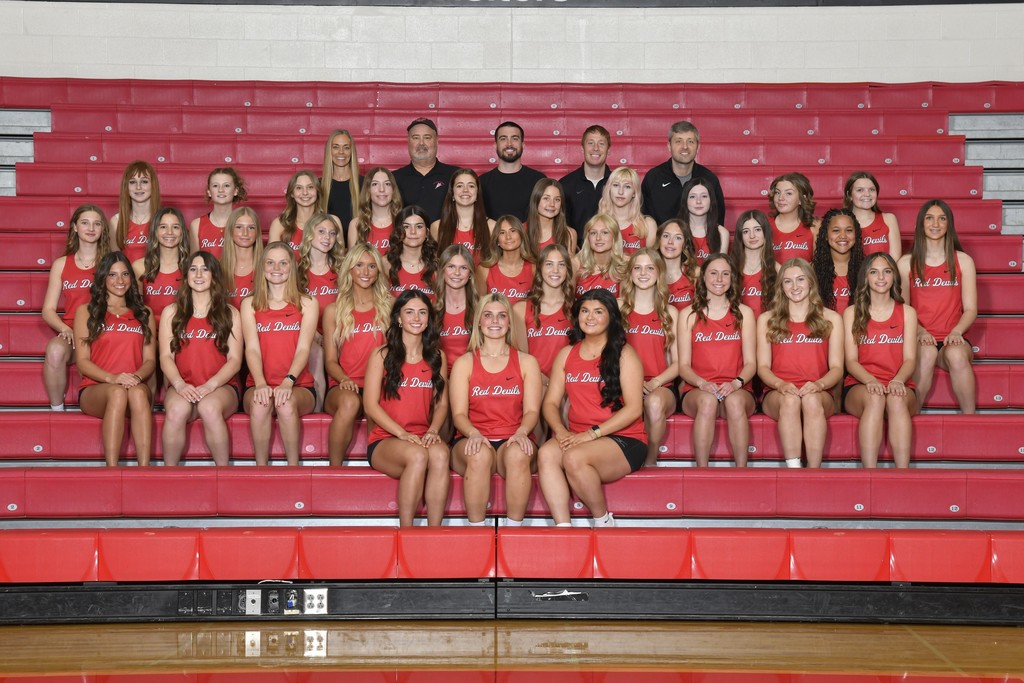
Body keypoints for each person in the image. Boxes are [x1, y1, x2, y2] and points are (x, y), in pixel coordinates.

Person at [537, 288, 647, 527]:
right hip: (578, 436)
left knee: (574, 458)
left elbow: (634, 409)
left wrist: (591, 433)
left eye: (599, 312)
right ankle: (563, 528)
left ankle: (603, 521)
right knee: (546, 453)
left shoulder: (625, 355)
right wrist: (562, 431)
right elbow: (551, 402)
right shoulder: (567, 354)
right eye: (585, 311)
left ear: (611, 318)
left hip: (624, 439)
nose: (590, 317)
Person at [449, 293, 543, 526]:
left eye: (501, 316)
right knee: (478, 454)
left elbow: (532, 411)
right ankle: (477, 534)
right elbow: (459, 414)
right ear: (479, 321)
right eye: (488, 315)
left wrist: (522, 432)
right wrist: (473, 433)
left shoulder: (527, 362)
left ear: (509, 322)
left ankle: (514, 533)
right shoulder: (465, 362)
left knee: (519, 453)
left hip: (514, 437)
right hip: (474, 438)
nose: (494, 321)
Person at [362, 289, 450, 527]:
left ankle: (434, 532)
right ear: (398, 319)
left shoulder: (437, 357)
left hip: (422, 436)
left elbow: (441, 403)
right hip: (386, 440)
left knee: (441, 454)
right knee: (418, 455)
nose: (416, 318)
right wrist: (402, 433)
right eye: (409, 312)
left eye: (422, 313)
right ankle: (407, 533)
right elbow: (370, 405)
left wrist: (433, 430)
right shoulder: (381, 355)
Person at [757, 258, 844, 468]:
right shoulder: (767, 319)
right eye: (788, 281)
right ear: (781, 287)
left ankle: (813, 471)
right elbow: (763, 367)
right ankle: (794, 470)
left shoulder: (831, 318)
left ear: (811, 282)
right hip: (778, 391)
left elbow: (837, 368)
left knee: (811, 400)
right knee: (790, 400)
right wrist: (781, 385)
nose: (794, 286)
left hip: (819, 391)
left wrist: (819, 385)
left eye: (800, 279)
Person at [159, 251, 243, 466]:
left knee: (208, 407)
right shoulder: (172, 312)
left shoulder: (229, 312)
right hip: (183, 384)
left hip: (221, 386)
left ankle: (222, 475)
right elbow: (166, 356)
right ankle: (169, 475)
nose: (199, 274)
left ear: (214, 275)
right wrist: (179, 384)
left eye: (205, 269)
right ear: (186, 275)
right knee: (178, 410)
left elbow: (234, 360)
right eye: (193, 269)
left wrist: (210, 385)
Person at [74, 252, 156, 466]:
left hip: (135, 384)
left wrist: (135, 377)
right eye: (112, 274)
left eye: (125, 274)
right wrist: (113, 378)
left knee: (137, 394)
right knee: (118, 393)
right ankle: (112, 470)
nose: (120, 281)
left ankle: (144, 469)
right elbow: (82, 361)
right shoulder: (86, 312)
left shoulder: (144, 313)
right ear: (102, 278)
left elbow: (150, 361)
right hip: (97, 387)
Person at [240, 242, 318, 466]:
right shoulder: (250, 304)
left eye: (283, 262)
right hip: (259, 383)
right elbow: (252, 349)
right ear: (262, 267)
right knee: (261, 403)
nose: (277, 268)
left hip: (299, 385)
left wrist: (288, 381)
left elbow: (304, 348)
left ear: (292, 267)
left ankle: (293, 469)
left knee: (284, 403)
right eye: (270, 262)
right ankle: (261, 470)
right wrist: (261, 383)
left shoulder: (307, 303)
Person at [897, 200, 977, 413]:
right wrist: (920, 331)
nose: (936, 223)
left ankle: (971, 418)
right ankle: (911, 416)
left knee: (957, 355)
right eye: (929, 218)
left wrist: (957, 332)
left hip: (953, 337)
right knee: (927, 353)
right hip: (920, 337)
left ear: (949, 224)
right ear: (920, 224)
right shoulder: (906, 263)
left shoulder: (963, 261)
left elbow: (970, 309)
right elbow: (902, 308)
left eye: (942, 218)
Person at [677, 254, 757, 467]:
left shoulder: (744, 314)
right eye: (713, 273)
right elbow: (683, 366)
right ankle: (701, 471)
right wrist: (703, 383)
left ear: (732, 279)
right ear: (703, 278)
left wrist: (735, 383)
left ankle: (742, 470)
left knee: (735, 401)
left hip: (737, 387)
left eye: (725, 273)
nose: (719, 279)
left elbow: (751, 363)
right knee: (707, 401)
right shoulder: (688, 315)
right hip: (698, 389)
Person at [843, 252, 919, 468]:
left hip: (900, 383)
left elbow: (910, 359)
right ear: (865, 277)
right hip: (861, 385)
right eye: (874, 272)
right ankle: (870, 474)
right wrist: (870, 381)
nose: (881, 277)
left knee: (894, 399)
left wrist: (897, 381)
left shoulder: (907, 313)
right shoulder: (852, 312)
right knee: (875, 398)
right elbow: (851, 361)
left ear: (894, 276)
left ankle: (903, 473)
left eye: (887, 271)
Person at [323, 243, 391, 466]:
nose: (365, 272)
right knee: (351, 403)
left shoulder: (389, 306)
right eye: (359, 265)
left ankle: (379, 466)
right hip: (344, 385)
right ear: (349, 270)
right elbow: (331, 361)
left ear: (378, 271)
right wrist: (344, 379)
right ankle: (334, 471)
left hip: (379, 383)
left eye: (372, 266)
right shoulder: (335, 310)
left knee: (378, 403)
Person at [42, 205, 110, 411]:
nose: (91, 228)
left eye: (97, 223)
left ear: (102, 230)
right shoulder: (61, 264)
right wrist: (65, 329)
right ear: (74, 227)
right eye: (85, 223)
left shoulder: (109, 262)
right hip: (72, 332)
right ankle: (57, 410)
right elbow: (48, 309)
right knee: (54, 350)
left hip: (103, 330)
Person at [618, 248, 679, 467]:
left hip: (660, 385)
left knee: (653, 403)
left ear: (659, 273)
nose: (643, 273)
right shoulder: (618, 308)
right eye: (638, 268)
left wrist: (654, 382)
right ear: (630, 273)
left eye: (650, 268)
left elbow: (679, 363)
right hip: (624, 383)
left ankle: (649, 461)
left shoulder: (670, 312)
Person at [297, 212, 345, 410]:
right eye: (322, 232)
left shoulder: (341, 268)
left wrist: (332, 334)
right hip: (309, 335)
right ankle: (317, 413)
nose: (327, 237)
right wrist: (313, 333)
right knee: (314, 352)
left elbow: (348, 304)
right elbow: (292, 308)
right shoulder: (298, 270)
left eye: (332, 233)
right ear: (309, 234)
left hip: (337, 332)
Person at [641, 120, 726, 225]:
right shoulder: (653, 177)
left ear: (698, 147)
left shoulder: (709, 179)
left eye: (690, 141)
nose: (685, 146)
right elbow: (644, 220)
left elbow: (717, 221)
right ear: (669, 146)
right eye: (678, 141)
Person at [513, 243, 575, 385]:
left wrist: (558, 386)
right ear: (540, 269)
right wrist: (544, 382)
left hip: (567, 385)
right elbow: (521, 357)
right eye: (549, 264)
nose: (555, 270)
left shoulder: (577, 308)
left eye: (561, 265)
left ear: (568, 270)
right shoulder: (521, 309)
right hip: (532, 383)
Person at [392, 118, 457, 224]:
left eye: (427, 137)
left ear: (436, 141)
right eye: (415, 138)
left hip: (446, 240)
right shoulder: (394, 179)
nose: (421, 143)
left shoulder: (455, 176)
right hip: (408, 239)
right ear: (408, 142)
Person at [132, 207, 189, 328]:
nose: (169, 232)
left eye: (175, 227)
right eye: (163, 227)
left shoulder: (191, 268)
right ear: (155, 231)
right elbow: (135, 309)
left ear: (182, 232)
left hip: (181, 333)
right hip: (148, 332)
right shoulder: (139, 267)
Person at [480, 121, 547, 222]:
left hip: (529, 238)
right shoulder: (482, 182)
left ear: (523, 145)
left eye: (515, 138)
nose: (509, 144)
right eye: (503, 139)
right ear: (495, 145)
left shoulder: (538, 180)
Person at [430, 168, 495, 264]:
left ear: (477, 193)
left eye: (471, 186)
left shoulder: (492, 226)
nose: (465, 190)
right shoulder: (437, 227)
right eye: (459, 186)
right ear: (452, 193)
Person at [559, 125, 612, 235]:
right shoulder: (565, 185)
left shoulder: (617, 184)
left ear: (609, 150)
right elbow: (560, 227)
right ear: (582, 148)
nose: (596, 148)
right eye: (590, 143)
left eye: (601, 144)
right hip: (575, 250)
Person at [813, 208, 864, 316]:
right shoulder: (811, 270)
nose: (843, 236)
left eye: (849, 230)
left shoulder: (868, 269)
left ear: (856, 234)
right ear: (826, 235)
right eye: (836, 230)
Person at [189, 167, 247, 260]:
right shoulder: (197, 225)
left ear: (236, 190)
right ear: (209, 191)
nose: (221, 190)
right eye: (215, 186)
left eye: (226, 186)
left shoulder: (245, 223)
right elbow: (194, 263)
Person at [109, 160, 161, 263]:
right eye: (132, 182)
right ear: (126, 186)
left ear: (153, 185)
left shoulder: (164, 219)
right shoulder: (116, 222)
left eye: (144, 181)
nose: (138, 187)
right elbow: (117, 263)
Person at [730, 209, 778, 318]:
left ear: (766, 232)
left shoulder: (778, 270)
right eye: (746, 231)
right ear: (740, 236)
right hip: (736, 330)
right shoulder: (729, 269)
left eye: (757, 230)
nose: (752, 236)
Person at [598, 166, 657, 255]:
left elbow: (651, 263)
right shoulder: (598, 223)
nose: (620, 191)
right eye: (616, 185)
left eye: (627, 187)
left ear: (634, 193)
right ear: (609, 189)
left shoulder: (648, 225)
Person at [477, 215, 535, 303]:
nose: (508, 237)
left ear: (521, 235)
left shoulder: (534, 268)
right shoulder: (484, 270)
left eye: (513, 231)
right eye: (502, 232)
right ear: (497, 240)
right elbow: (479, 307)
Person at [844, 171, 901, 259]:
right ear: (849, 195)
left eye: (872, 190)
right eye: (860, 190)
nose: (867, 194)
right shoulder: (840, 222)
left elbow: (895, 261)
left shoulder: (889, 219)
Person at [386, 205, 438, 299]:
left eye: (419, 226)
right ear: (398, 232)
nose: (413, 231)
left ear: (427, 232)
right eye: (406, 226)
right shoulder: (385, 264)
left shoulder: (437, 266)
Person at [435, 244, 476, 363]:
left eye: (463, 268)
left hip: (472, 375)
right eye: (451, 267)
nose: (457, 273)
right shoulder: (430, 308)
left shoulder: (481, 307)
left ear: (470, 274)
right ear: (442, 270)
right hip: (438, 375)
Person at [348, 166, 403, 255]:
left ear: (393, 190)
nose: (382, 189)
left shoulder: (404, 223)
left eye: (387, 184)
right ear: (368, 190)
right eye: (375, 184)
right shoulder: (356, 225)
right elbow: (352, 265)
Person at [768, 172, 818, 264]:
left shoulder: (815, 226)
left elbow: (821, 266)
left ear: (802, 199)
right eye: (777, 192)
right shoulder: (764, 225)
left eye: (789, 193)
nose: (780, 198)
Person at [269, 170, 323, 253]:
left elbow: (339, 260)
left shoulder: (330, 222)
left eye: (310, 187)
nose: (305, 192)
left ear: (317, 191)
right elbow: (272, 259)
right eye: (299, 188)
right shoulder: (279, 224)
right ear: (292, 194)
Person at [678, 176, 730, 263]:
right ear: (685, 201)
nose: (698, 201)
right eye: (693, 197)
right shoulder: (676, 230)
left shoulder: (722, 233)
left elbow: (720, 268)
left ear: (711, 200)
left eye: (704, 196)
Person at [574, 214, 627, 296]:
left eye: (605, 232)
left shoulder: (625, 264)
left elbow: (625, 303)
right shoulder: (575, 263)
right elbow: (567, 301)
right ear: (588, 238)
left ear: (615, 237)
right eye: (593, 233)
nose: (598, 238)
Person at [221, 207, 264, 309]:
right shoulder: (217, 268)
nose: (245, 233)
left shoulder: (268, 268)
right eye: (239, 227)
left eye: (251, 228)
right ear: (230, 231)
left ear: (257, 232)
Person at [321, 129, 361, 235]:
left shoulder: (365, 184)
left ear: (352, 151)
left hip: (357, 248)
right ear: (329, 151)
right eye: (336, 147)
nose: (341, 152)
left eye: (346, 147)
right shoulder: (318, 186)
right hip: (327, 247)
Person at [526, 178, 577, 255]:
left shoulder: (569, 234)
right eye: (546, 198)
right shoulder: (521, 231)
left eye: (557, 200)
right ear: (536, 200)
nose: (552, 204)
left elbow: (570, 266)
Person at [657, 218, 699, 312]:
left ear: (686, 244)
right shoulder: (649, 273)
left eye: (678, 238)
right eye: (666, 236)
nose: (670, 242)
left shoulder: (696, 274)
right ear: (659, 240)